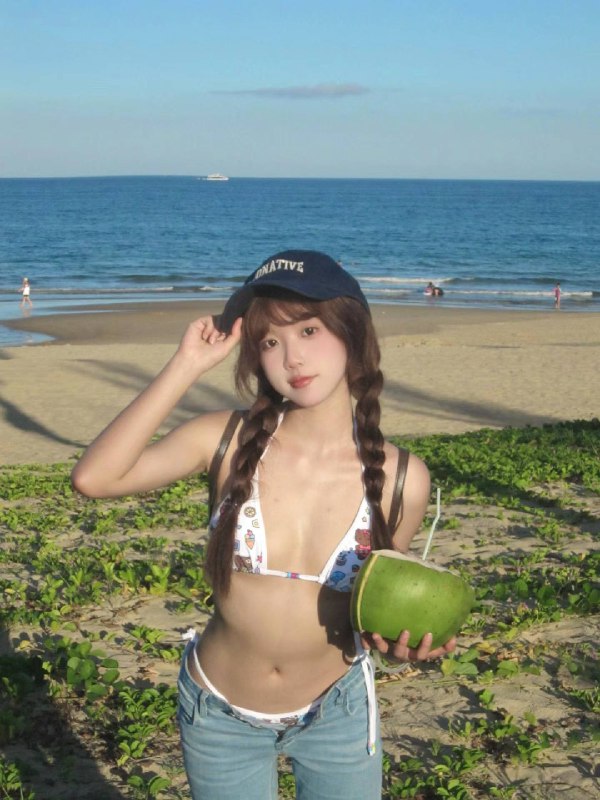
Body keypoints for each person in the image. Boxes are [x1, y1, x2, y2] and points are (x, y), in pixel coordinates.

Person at [71, 250, 456, 799]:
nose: (292, 357)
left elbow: (379, 609)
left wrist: (401, 645)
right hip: (218, 713)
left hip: (338, 712)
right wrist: (186, 364)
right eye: (270, 342)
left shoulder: (402, 480)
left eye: (309, 330)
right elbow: (94, 478)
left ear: (352, 334)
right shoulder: (224, 441)